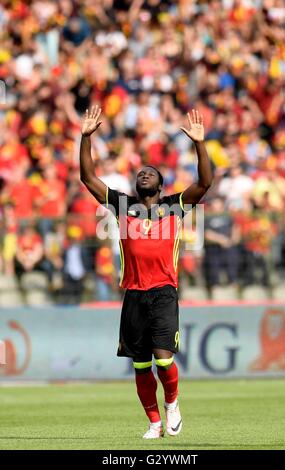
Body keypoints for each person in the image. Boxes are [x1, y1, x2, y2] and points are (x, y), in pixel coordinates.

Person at [80, 105, 212, 438]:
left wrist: (199, 143)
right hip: (134, 293)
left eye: (150, 172)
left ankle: (172, 404)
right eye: (141, 172)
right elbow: (88, 178)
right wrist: (85, 138)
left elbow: (206, 182)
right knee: (140, 365)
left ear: (160, 183)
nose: (144, 174)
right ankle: (154, 422)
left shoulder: (175, 205)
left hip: (165, 292)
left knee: (164, 360)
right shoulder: (123, 205)